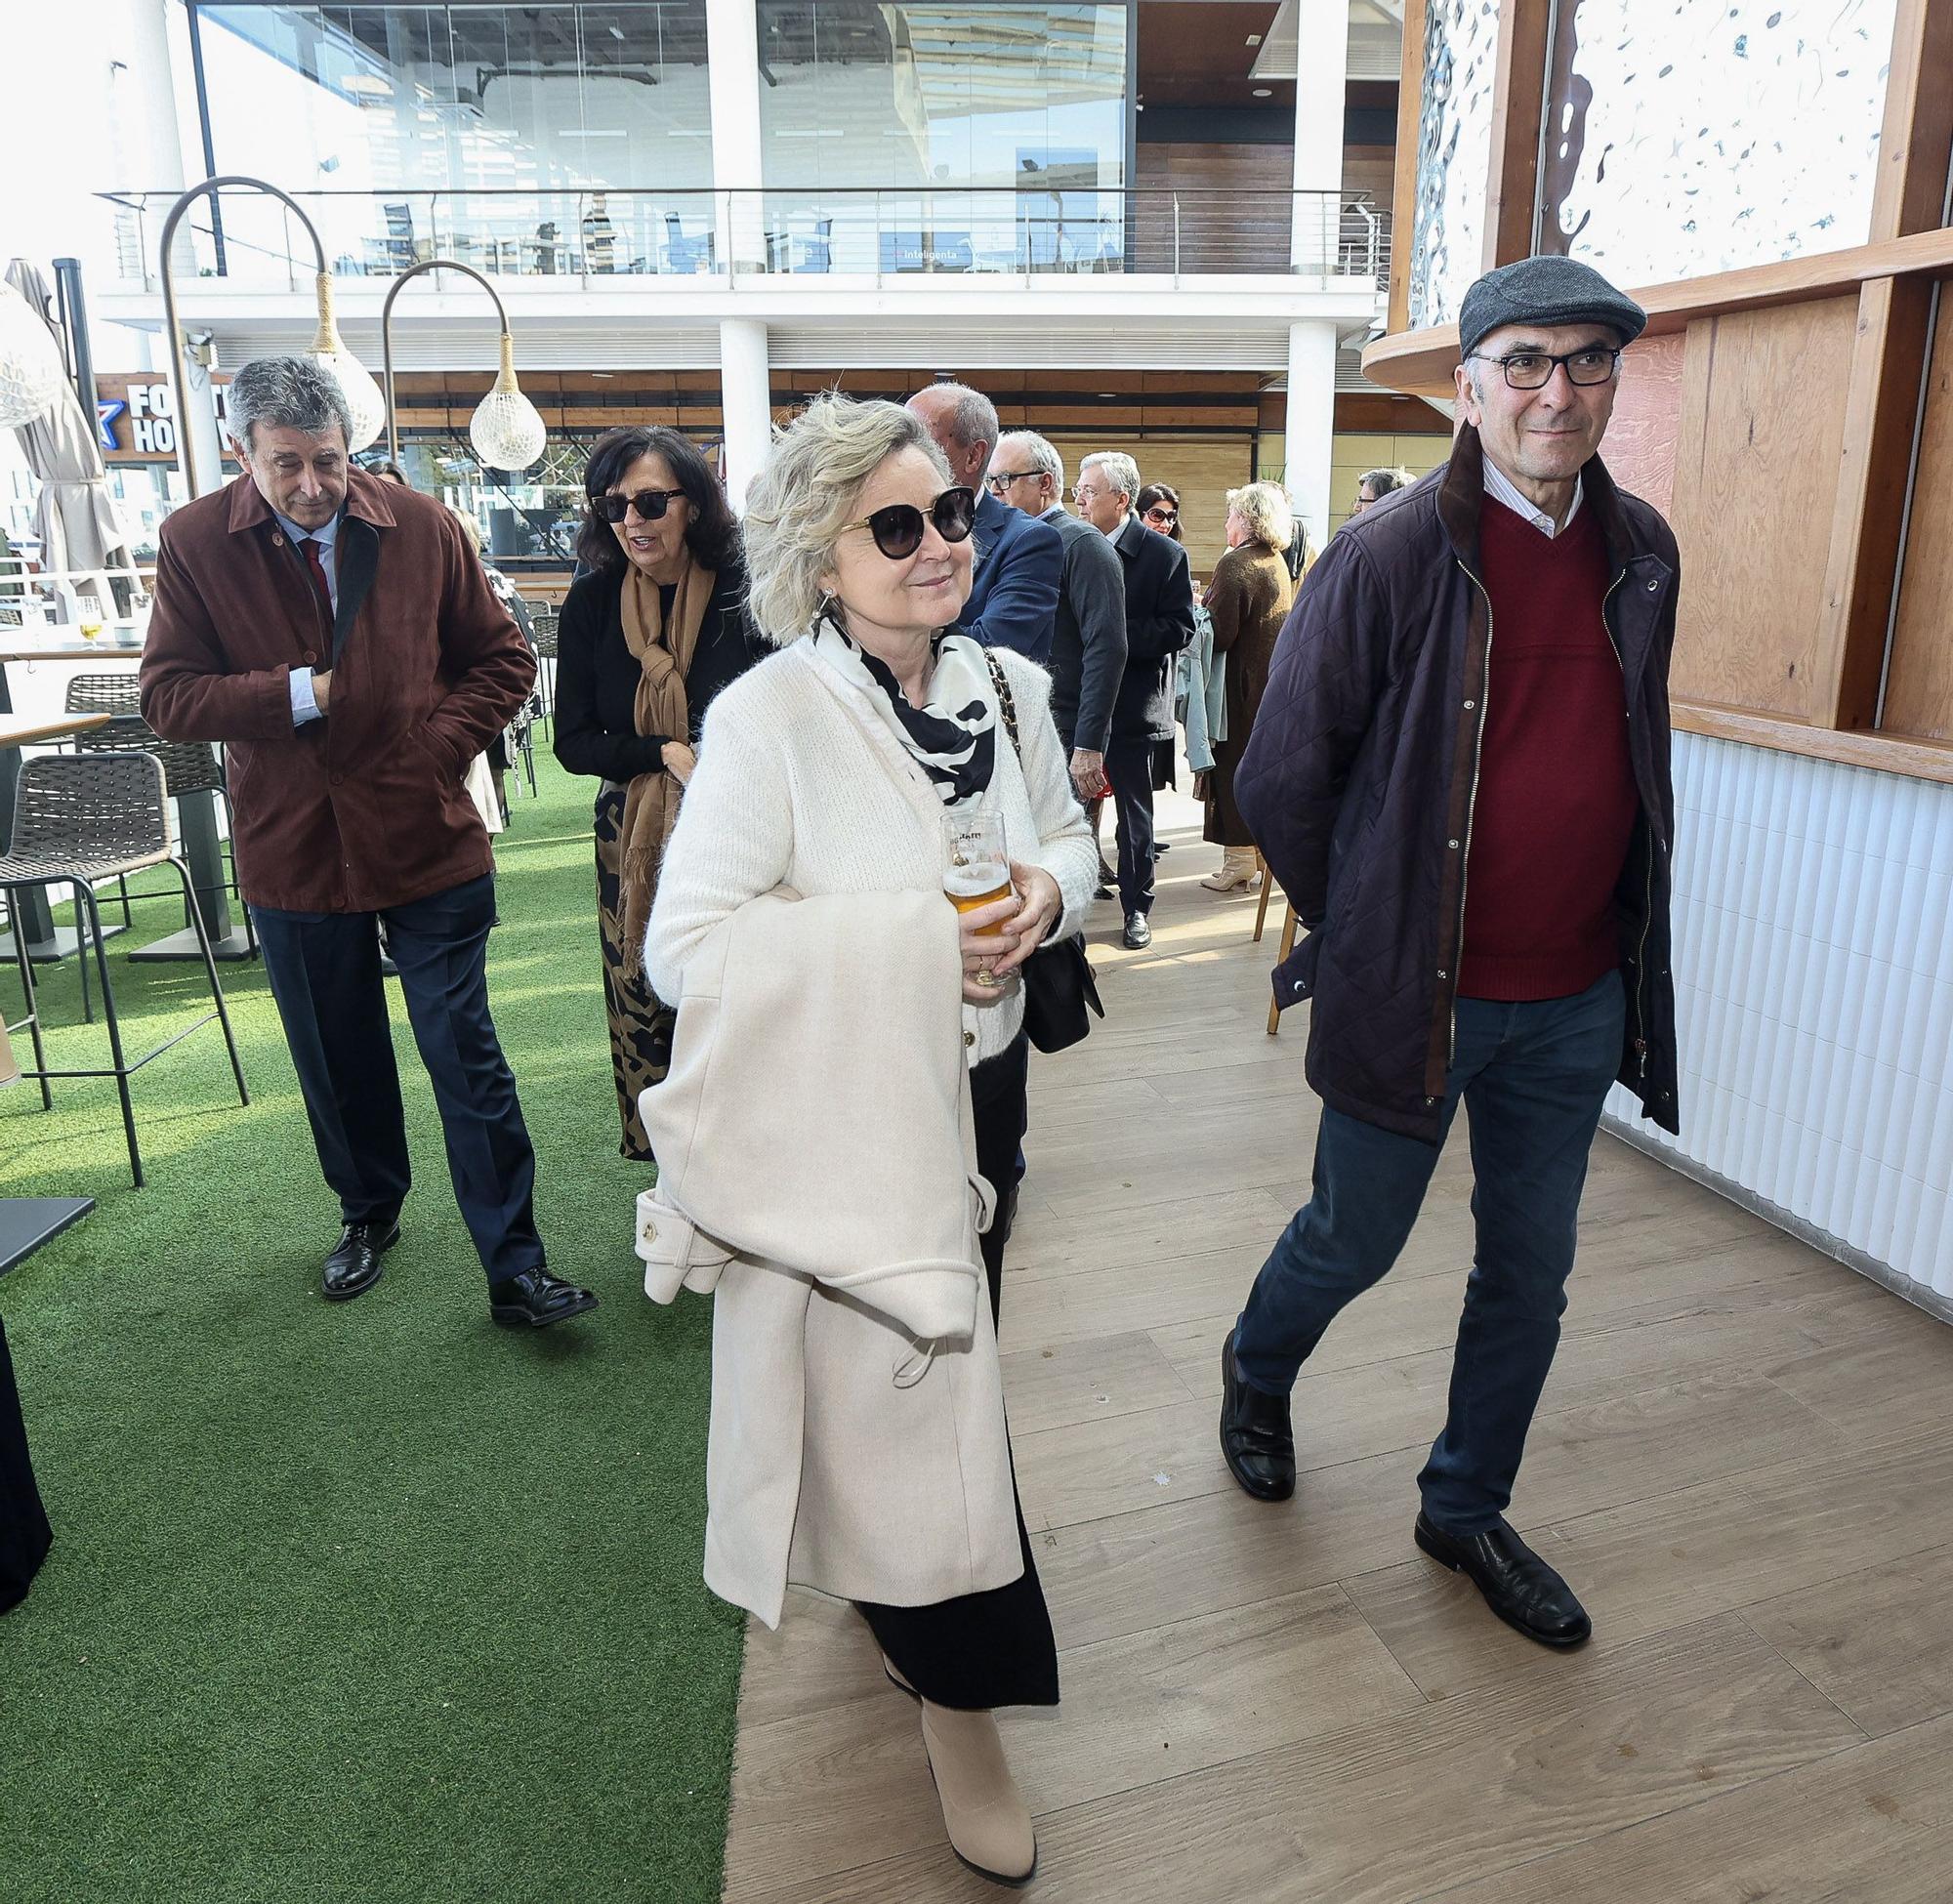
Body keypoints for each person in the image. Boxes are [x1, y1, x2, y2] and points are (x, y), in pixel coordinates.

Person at [644, 393, 1095, 1885]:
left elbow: (1063, 837)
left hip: (984, 1100)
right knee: (928, 1407)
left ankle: (899, 1594)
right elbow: (684, 949)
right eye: (891, 527)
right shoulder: (768, 717)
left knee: (936, 1386)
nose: (935, 546)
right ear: (820, 562)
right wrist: (910, 942)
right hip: (851, 1117)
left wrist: (1048, 894)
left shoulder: (1010, 688)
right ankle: (961, 1700)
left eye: (949, 514)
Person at [1219, 256, 1681, 1649]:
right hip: (1414, 992)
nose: (1559, 390)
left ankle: (1465, 1503)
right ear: (1468, 386)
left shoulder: (1644, 546)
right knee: (1353, 1237)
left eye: (1588, 361)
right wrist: (1370, 925)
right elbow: (1283, 780)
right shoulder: (1390, 553)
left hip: (1578, 994)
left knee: (1528, 1270)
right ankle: (1255, 1366)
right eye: (1526, 361)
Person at [141, 355, 596, 1329]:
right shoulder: (190, 542)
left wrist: (436, 750)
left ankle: (515, 1265)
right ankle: (368, 1214)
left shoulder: (424, 528)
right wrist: (301, 692)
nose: (313, 486)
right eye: (287, 465)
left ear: (357, 448)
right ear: (242, 453)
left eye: (330, 461)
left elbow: (503, 659)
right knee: (337, 1061)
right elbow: (169, 697)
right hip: (292, 851)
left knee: (462, 1053)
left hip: (424, 835)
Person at [553, 425, 760, 1164]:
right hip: (632, 828)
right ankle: (673, 1164)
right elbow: (571, 741)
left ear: (694, 506)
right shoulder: (592, 603)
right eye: (613, 507)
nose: (632, 522)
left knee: (739, 991)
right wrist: (661, 750)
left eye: (649, 502)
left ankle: (750, 1153)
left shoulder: (748, 592)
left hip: (742, 821)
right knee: (641, 991)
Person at [1072, 452, 1196, 949]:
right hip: (1078, 702)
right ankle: (1069, 910)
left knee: (1133, 817)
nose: (1077, 498)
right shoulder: (1072, 546)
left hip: (1133, 707)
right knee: (1069, 811)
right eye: (1077, 489)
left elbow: (1180, 628)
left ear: (1121, 499)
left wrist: (1113, 635)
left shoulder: (1165, 556)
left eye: (1088, 490)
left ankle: (1136, 908)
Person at [987, 430, 1124, 805]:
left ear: (1045, 483)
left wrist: (1088, 743)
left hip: (1062, 729)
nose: (994, 490)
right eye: (990, 480)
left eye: (1004, 479)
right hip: (1014, 724)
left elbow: (1107, 647)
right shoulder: (1007, 540)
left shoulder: (1083, 544)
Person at [906, 383, 1061, 663]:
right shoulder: (893, 526)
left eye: (921, 441)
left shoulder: (1029, 541)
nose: (903, 454)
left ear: (974, 456)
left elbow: (991, 647)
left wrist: (891, 634)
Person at [1199, 481, 1294, 891]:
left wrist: (1198, 608)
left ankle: (1237, 859)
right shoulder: (1274, 560)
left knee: (1231, 767)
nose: (1226, 522)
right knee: (1253, 767)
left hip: (1235, 688)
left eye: (1231, 514)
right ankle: (1253, 855)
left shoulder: (1236, 564)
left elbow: (1219, 633)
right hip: (1267, 682)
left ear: (1248, 519)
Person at [448, 503, 535, 830]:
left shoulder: (484, 581)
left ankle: (484, 840)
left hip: (489, 700)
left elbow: (515, 651)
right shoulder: (489, 577)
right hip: (503, 702)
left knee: (489, 772)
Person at [1133, 482, 1184, 804]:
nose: (1164, 522)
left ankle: (1138, 840)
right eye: (1156, 514)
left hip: (1155, 679)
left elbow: (1180, 626)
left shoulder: (1172, 555)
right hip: (1130, 683)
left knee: (1143, 775)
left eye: (1170, 516)